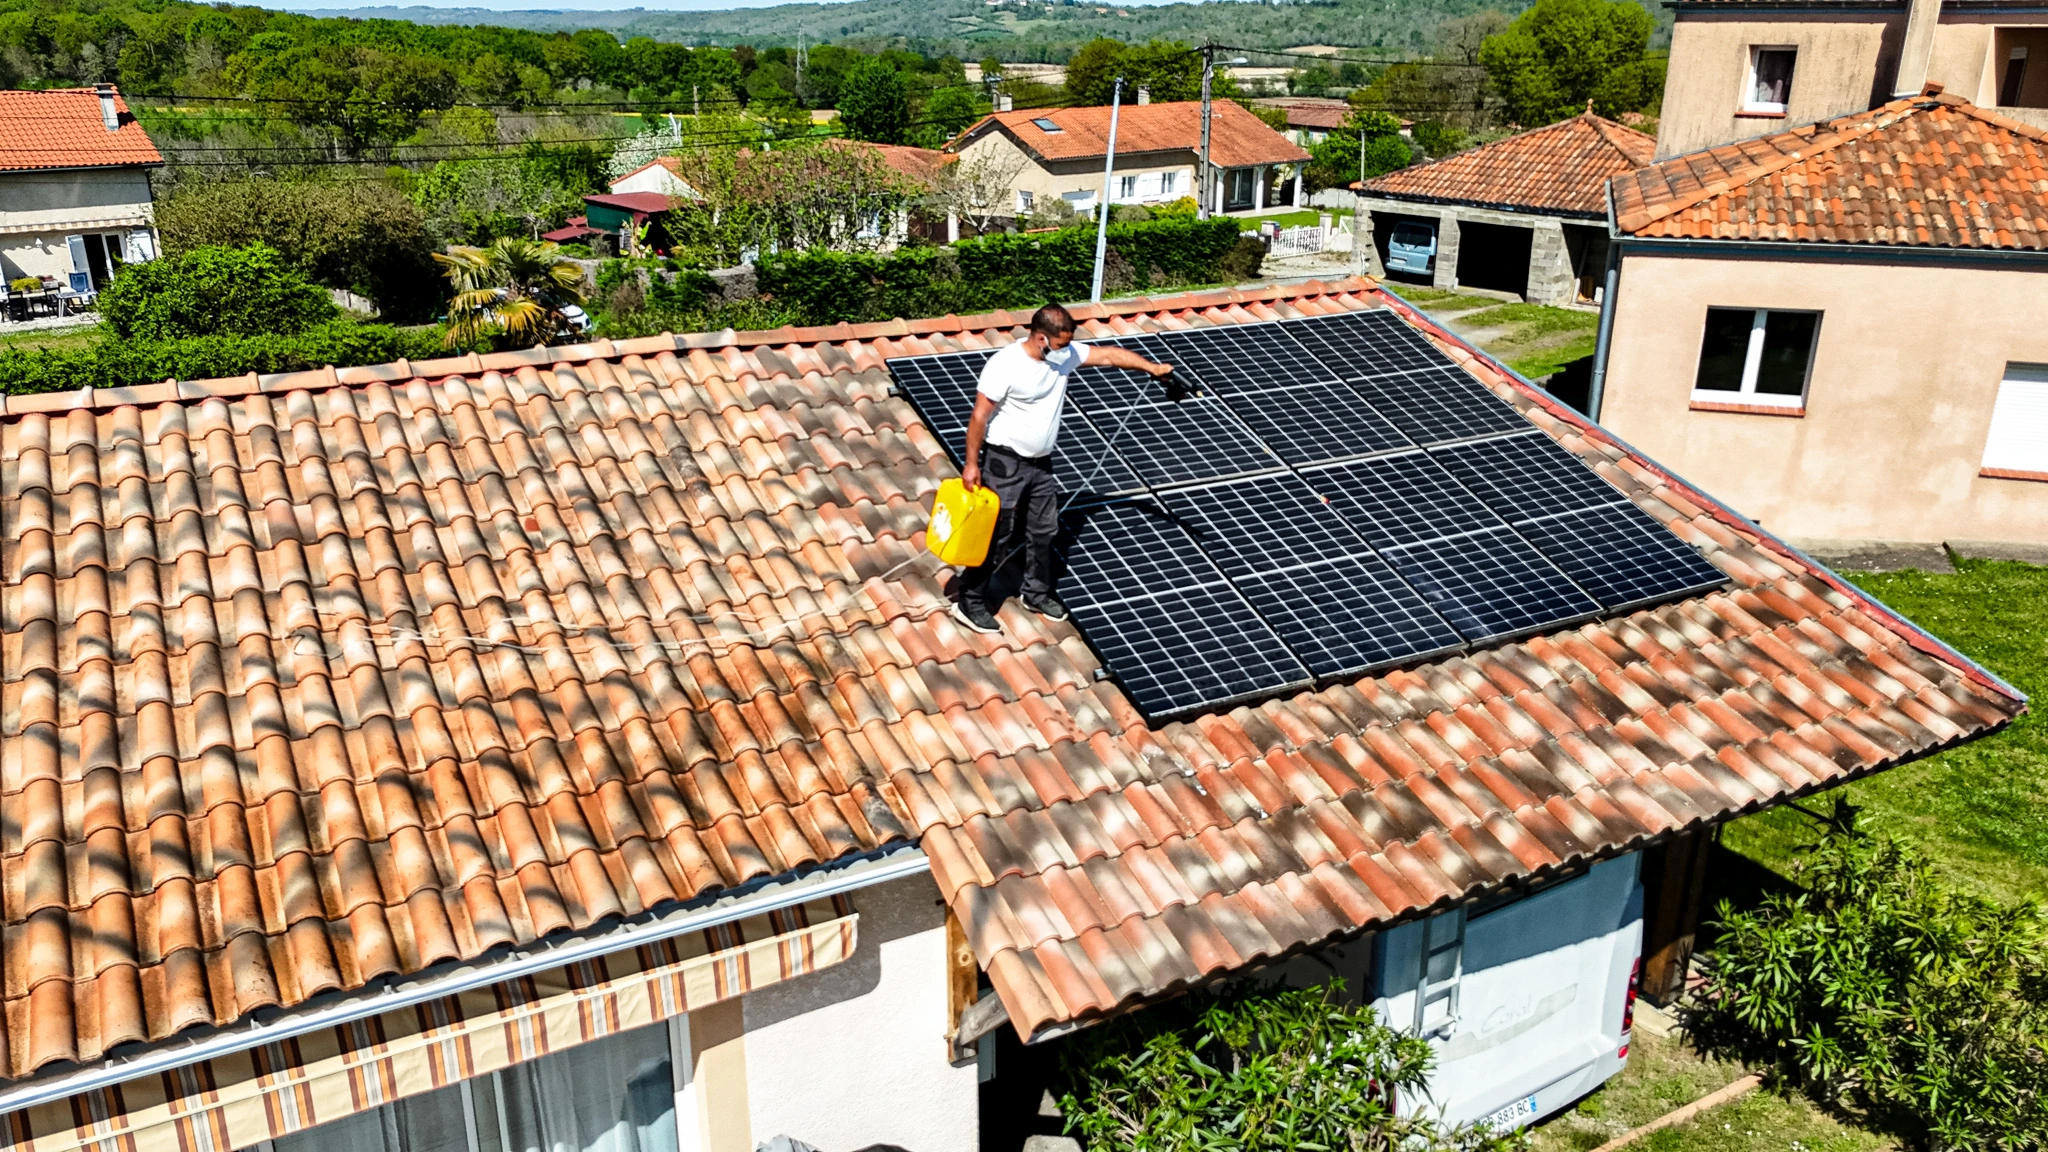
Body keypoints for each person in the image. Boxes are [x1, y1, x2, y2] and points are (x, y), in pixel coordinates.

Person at [951, 302, 1175, 635]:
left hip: (1041, 464)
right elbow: (979, 416)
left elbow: (1109, 355)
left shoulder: (1064, 354)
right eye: (1060, 344)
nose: (1066, 350)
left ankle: (1035, 593)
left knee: (1044, 531)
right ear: (1041, 338)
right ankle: (969, 601)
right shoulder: (1005, 366)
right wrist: (971, 464)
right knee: (999, 534)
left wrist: (1152, 368)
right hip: (1005, 461)